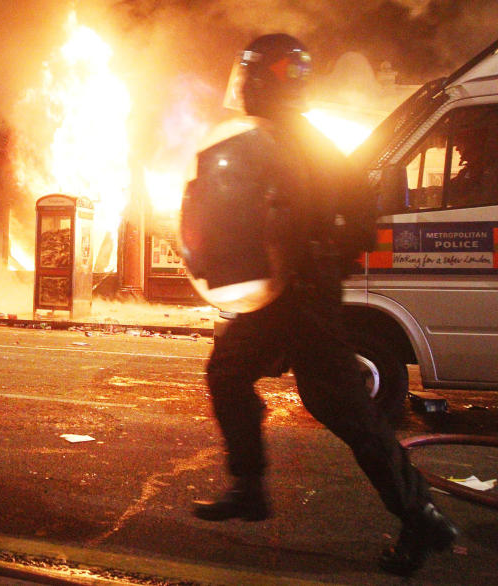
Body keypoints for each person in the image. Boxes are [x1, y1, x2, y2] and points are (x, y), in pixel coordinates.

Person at [186, 34, 457, 577]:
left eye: (257, 78)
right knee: (227, 370)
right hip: (275, 299)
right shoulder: (257, 143)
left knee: (347, 412)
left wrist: (320, 257)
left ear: (265, 81)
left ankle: (421, 516)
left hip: (307, 302)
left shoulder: (312, 146)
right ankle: (248, 487)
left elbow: (363, 215)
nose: (249, 88)